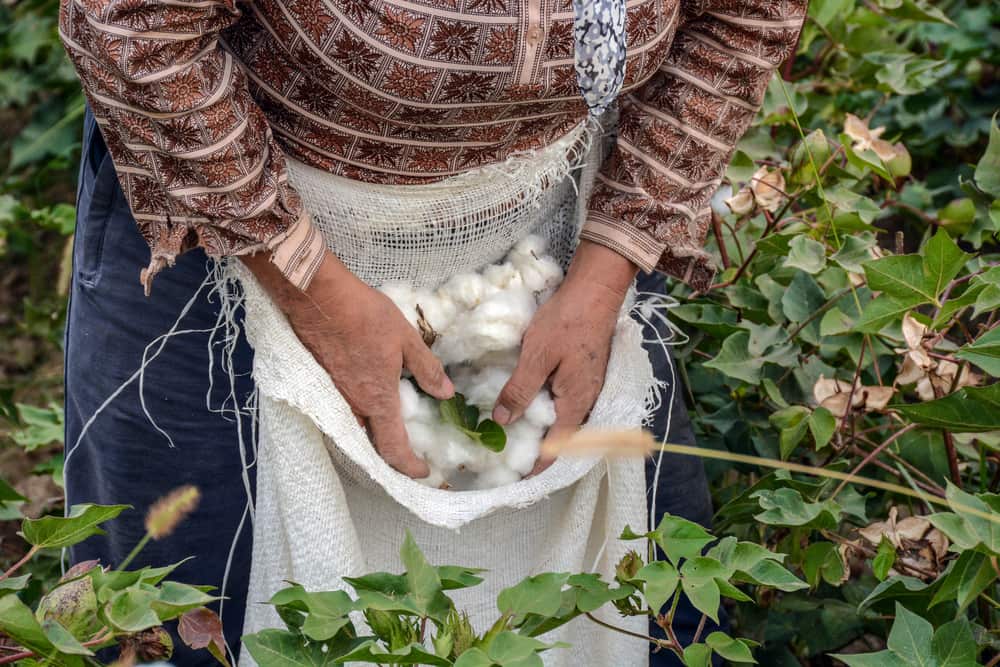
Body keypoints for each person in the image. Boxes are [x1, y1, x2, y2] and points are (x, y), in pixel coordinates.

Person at [59, 0, 806, 664]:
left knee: (645, 596)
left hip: (557, 246)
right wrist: (312, 289)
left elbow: (744, 15)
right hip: (235, 226)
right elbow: (134, 26)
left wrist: (608, 268)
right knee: (188, 609)